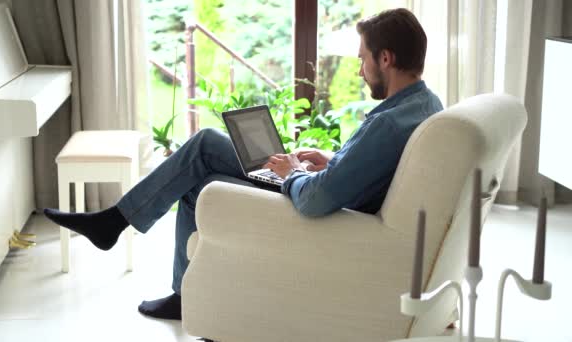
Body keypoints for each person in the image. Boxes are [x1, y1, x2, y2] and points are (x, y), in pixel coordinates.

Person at [44, 8, 443, 321]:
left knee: (202, 155)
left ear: (386, 58)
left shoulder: (389, 123)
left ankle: (117, 225)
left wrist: (294, 174)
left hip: (321, 212)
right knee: (203, 166)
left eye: (363, 60)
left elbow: (317, 201)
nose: (359, 70)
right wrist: (332, 160)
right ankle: (161, 271)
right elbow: (367, 170)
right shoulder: (423, 105)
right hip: (333, 193)